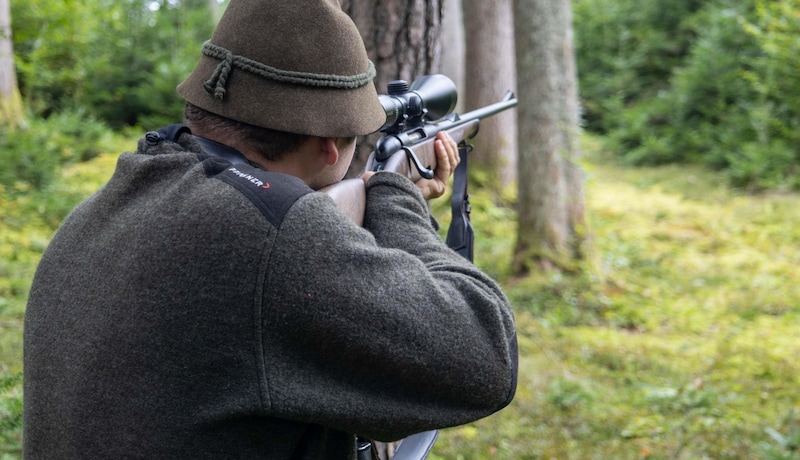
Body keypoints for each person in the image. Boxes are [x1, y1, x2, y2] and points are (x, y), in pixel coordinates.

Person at [22, 1, 518, 458]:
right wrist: (396, 195)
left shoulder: (100, 208)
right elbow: (485, 357)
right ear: (329, 147)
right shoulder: (272, 232)